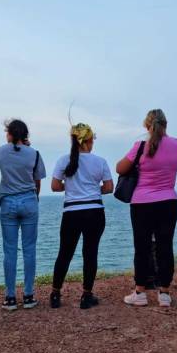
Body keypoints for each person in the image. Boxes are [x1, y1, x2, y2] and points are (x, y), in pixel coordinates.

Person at [117, 109, 177, 307]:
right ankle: (164, 293)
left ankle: (140, 292)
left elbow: (120, 168)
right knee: (165, 247)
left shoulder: (140, 146)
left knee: (142, 248)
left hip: (142, 204)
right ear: (166, 124)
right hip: (168, 202)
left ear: (147, 126)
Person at [50, 123, 113, 309]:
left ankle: (55, 294)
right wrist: (92, 189)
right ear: (89, 140)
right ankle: (86, 295)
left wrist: (70, 187)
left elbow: (55, 186)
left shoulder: (63, 160)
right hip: (94, 211)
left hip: (71, 212)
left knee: (65, 253)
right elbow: (109, 187)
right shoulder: (100, 161)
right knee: (90, 253)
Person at [0, 119, 46, 310]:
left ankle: (10, 297)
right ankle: (28, 295)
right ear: (25, 135)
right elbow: (37, 181)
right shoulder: (34, 154)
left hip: (8, 202)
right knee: (29, 249)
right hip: (29, 201)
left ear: (9, 133)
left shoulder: (0, 151)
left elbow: (10, 149)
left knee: (9, 251)